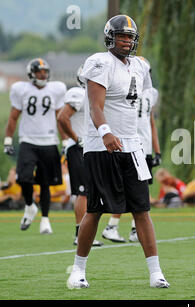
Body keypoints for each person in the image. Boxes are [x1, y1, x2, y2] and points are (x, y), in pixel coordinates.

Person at [66, 15, 169, 289]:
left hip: (133, 145)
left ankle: (155, 272)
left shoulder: (140, 66)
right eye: (121, 36)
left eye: (130, 37)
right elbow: (95, 105)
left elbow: (139, 105)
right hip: (101, 145)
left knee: (142, 209)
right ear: (110, 37)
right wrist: (105, 132)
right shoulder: (99, 62)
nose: (126, 41)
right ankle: (78, 270)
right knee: (96, 209)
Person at [101, 56, 162, 243]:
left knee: (140, 192)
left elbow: (151, 122)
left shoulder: (151, 93)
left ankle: (135, 229)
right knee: (126, 189)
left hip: (144, 146)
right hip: (129, 144)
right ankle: (112, 225)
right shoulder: (126, 89)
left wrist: (156, 149)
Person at [3, 57, 67, 234]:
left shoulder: (56, 89)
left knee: (45, 183)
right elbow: (13, 117)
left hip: (49, 141)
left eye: (45, 71)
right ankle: (30, 206)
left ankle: (45, 219)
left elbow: (60, 117)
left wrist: (66, 140)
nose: (43, 74)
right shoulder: (21, 89)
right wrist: (8, 140)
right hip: (28, 140)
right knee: (23, 177)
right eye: (39, 71)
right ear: (31, 74)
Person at [57, 64, 103, 246]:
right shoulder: (78, 93)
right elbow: (62, 117)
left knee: (90, 192)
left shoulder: (95, 96)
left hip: (90, 147)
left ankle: (85, 234)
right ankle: (80, 234)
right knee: (83, 192)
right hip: (79, 148)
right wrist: (76, 139)